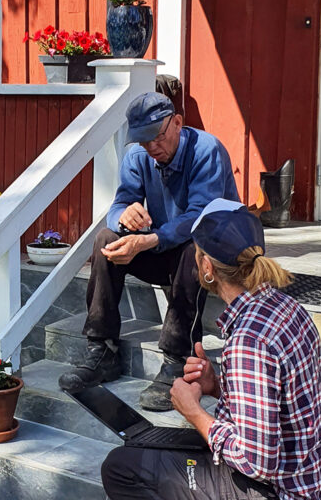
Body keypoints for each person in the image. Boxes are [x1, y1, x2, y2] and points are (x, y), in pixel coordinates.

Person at [100, 199, 321, 500]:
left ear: (206, 267)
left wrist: (193, 412)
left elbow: (259, 461)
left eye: (196, 256)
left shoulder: (250, 341)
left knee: (121, 469)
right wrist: (217, 382)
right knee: (147, 444)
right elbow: (275, 400)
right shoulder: (285, 309)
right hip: (297, 488)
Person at [58, 91, 240, 410]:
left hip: (214, 251)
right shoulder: (138, 156)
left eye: (156, 138)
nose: (151, 148)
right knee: (105, 239)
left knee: (193, 249)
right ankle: (102, 351)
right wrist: (124, 215)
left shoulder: (207, 150)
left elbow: (200, 216)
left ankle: (177, 361)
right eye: (143, 141)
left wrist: (148, 240)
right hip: (164, 245)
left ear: (178, 124)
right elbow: (118, 204)